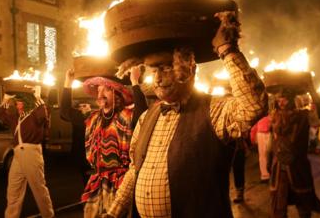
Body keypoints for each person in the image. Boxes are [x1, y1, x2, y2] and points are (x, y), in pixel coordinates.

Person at [106, 11, 267, 218]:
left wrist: (227, 50)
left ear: (189, 68)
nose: (158, 79)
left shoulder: (213, 110)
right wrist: (114, 212)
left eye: (165, 68)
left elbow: (254, 105)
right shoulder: (147, 116)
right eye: (153, 71)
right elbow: (134, 169)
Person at [62, 66, 148, 217]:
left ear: (117, 94)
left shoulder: (127, 116)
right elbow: (65, 112)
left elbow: (143, 113)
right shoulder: (92, 118)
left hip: (122, 184)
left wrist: (135, 81)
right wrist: (67, 82)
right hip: (98, 183)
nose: (100, 94)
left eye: (106, 90)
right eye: (98, 90)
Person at [269, 85, 320, 218]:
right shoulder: (274, 116)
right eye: (279, 99)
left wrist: (313, 91)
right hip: (279, 168)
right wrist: (269, 160)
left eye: (284, 99)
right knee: (278, 207)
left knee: (304, 205)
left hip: (299, 166)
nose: (281, 102)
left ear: (291, 99)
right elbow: (271, 142)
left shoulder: (304, 115)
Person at [0, 89, 55, 218]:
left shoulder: (34, 114)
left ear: (26, 103)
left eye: (20, 102)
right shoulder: (16, 118)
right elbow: (3, 117)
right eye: (16, 102)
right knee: (14, 189)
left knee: (38, 188)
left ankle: (48, 215)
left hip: (31, 152)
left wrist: (37, 96)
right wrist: (5, 99)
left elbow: (43, 114)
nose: (17, 104)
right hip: (18, 154)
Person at [251, 115, 272, 182]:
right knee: (271, 154)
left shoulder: (259, 120)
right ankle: (272, 173)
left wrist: (253, 141)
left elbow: (253, 130)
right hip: (269, 133)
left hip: (260, 133)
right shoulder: (271, 117)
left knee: (262, 156)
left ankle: (265, 175)